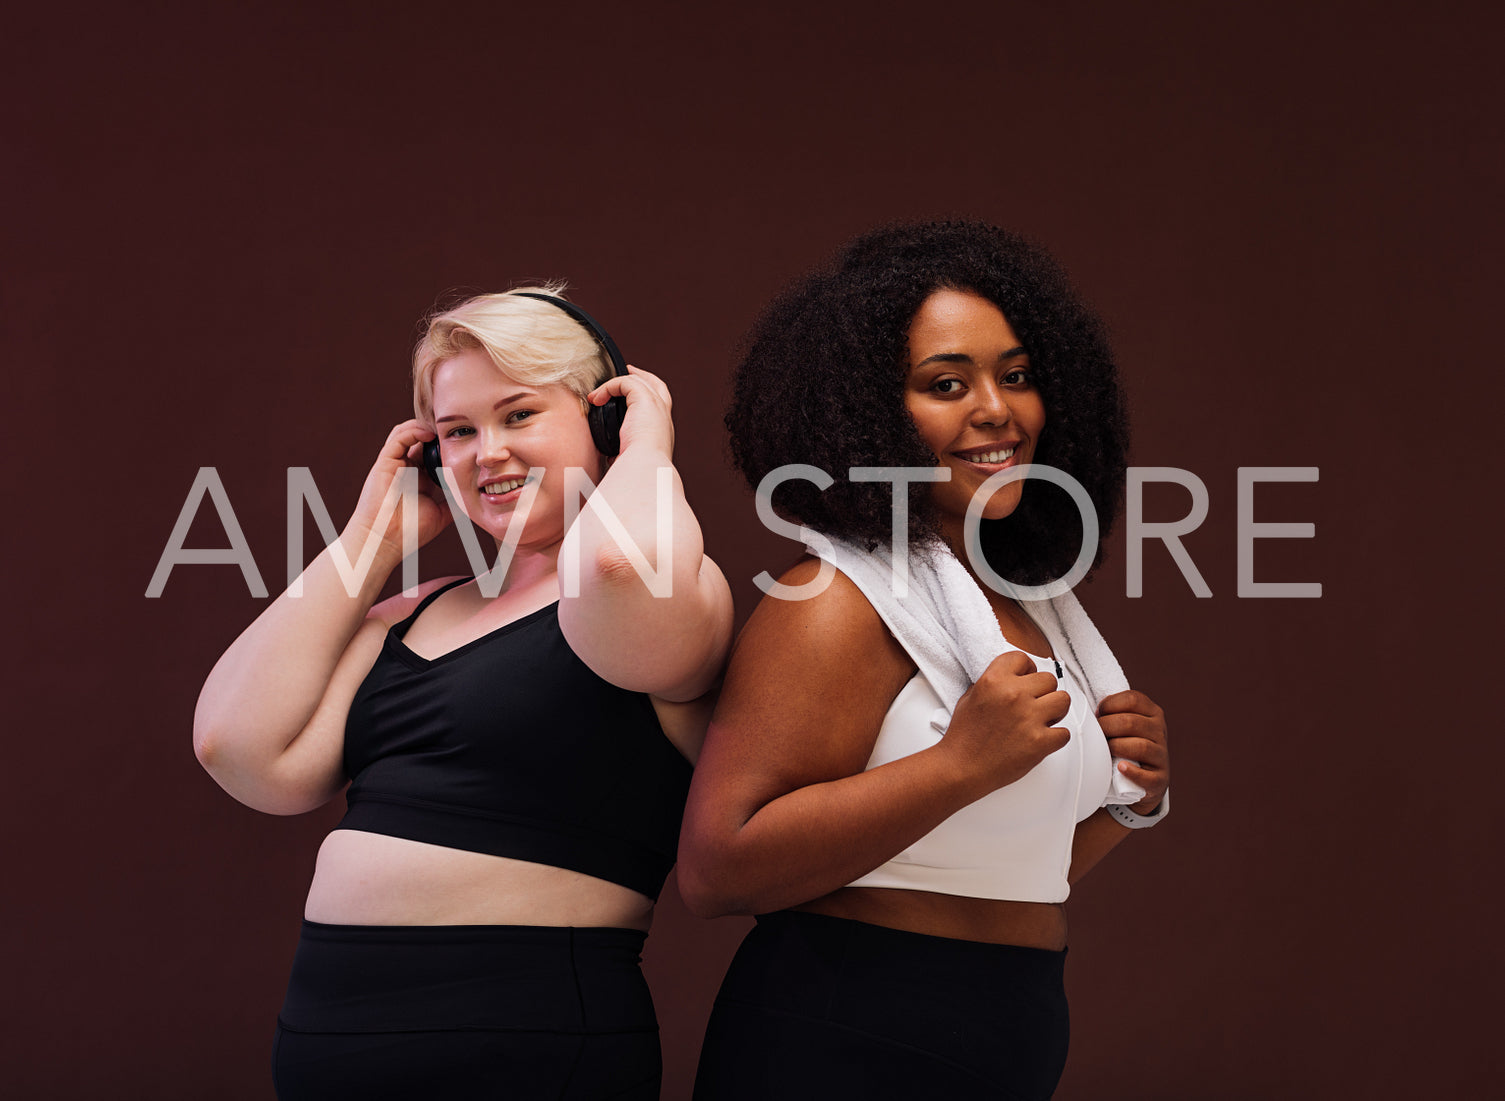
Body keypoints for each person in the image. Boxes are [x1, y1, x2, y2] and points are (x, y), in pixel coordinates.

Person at [194, 286, 733, 1100]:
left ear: (601, 421)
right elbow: (238, 748)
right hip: (331, 1045)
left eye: (518, 415)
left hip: (525, 1041)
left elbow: (619, 568)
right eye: (456, 430)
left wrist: (646, 444)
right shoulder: (414, 611)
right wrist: (371, 541)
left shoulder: (673, 590)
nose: (486, 452)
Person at [678, 222, 1171, 1100]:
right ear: (865, 412)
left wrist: (1133, 797)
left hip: (1005, 1030)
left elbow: (1013, 866)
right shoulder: (832, 602)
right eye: (946, 384)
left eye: (1015, 375)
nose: (997, 409)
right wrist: (958, 763)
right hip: (848, 1032)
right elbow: (716, 867)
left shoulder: (1024, 606)